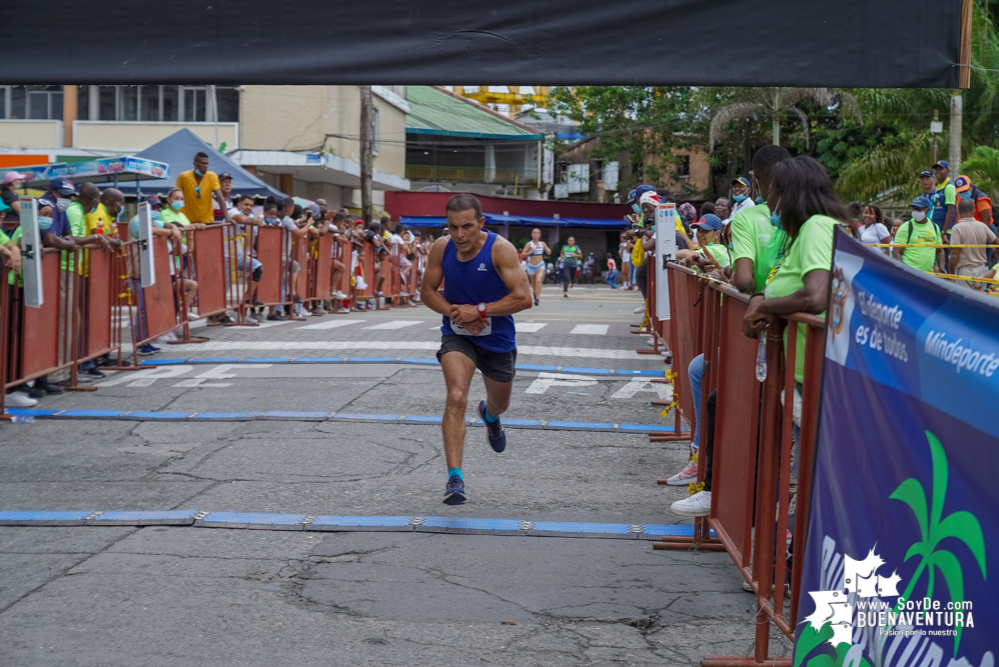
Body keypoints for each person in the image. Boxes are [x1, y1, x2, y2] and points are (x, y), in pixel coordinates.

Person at [673, 156, 848, 517]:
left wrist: (765, 307)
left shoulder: (817, 227)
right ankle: (753, 519)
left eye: (773, 193)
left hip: (812, 373)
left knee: (809, 476)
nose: (770, 202)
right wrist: (761, 300)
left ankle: (777, 544)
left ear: (790, 193)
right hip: (796, 369)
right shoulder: (804, 232)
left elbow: (815, 295)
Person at [420, 193, 533, 505]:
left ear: (481, 223)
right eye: (453, 227)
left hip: (497, 339)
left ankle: (491, 416)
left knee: (501, 404)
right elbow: (427, 292)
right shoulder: (441, 248)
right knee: (456, 396)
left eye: (467, 226)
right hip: (459, 335)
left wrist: (480, 310)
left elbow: (524, 298)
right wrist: (457, 313)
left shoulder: (500, 249)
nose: (460, 235)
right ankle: (454, 477)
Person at [949, 197, 997, 289]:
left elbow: (955, 253)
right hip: (982, 271)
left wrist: (951, 274)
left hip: (965, 271)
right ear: (974, 211)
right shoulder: (982, 226)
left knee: (964, 300)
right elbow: (996, 241)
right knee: (980, 301)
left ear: (958, 211)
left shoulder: (957, 228)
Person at [892, 195, 944, 273]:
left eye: (920, 209)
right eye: (914, 208)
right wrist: (902, 272)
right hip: (910, 274)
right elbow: (896, 252)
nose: (916, 211)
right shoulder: (905, 227)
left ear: (928, 210)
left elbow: (939, 251)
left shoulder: (934, 227)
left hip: (928, 275)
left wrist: (942, 270)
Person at [175, 152, 229, 225]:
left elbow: (220, 198)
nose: (206, 166)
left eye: (207, 163)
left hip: (206, 222)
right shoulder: (184, 177)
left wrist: (227, 217)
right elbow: (176, 197)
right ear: (195, 164)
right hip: (187, 222)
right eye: (203, 163)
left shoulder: (212, 176)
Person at [519, 227, 550, 306]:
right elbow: (522, 255)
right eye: (534, 233)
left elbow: (549, 252)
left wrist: (546, 248)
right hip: (531, 265)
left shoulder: (542, 243)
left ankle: (537, 298)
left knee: (538, 280)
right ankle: (535, 293)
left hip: (540, 264)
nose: (535, 234)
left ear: (539, 235)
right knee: (533, 283)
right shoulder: (529, 244)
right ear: (532, 234)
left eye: (537, 233)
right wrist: (531, 251)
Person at [931, 160, 957, 240]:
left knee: (945, 252)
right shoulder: (939, 186)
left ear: (947, 171)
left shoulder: (949, 187)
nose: (938, 171)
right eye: (936, 169)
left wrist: (944, 232)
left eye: (941, 169)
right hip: (938, 230)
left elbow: (951, 211)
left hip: (946, 233)